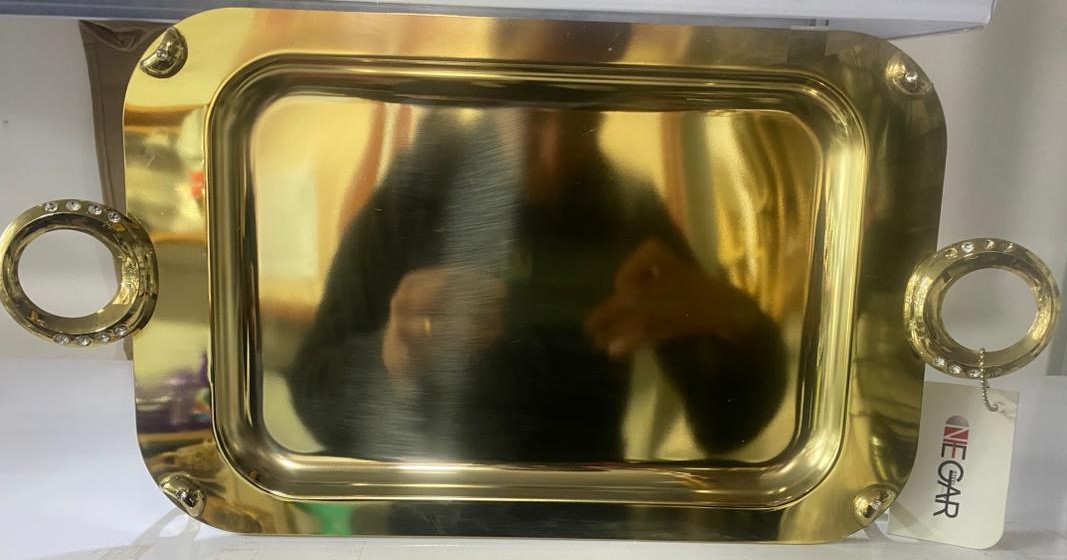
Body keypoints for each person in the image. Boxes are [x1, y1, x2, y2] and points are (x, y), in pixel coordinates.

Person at [286, 108, 785, 463]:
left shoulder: (629, 209)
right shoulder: (413, 196)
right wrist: (390, 358)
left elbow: (725, 428)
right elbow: (314, 398)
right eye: (535, 116)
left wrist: (738, 325)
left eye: (581, 120)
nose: (554, 156)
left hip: (595, 515)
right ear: (496, 91)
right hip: (433, 520)